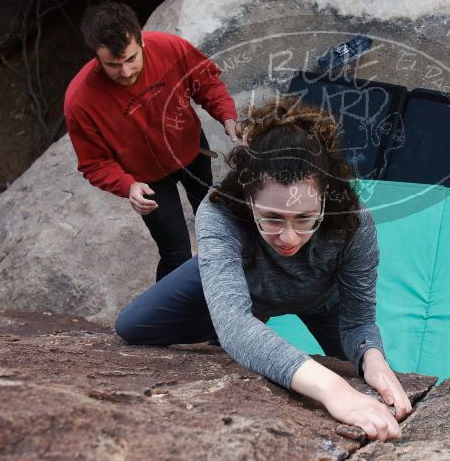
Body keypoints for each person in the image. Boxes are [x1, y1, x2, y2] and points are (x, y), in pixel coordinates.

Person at [115, 97, 413, 441]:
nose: (288, 238)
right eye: (271, 219)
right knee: (133, 326)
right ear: (248, 198)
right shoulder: (220, 211)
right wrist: (332, 389)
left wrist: (372, 357)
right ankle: (228, 286)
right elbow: (234, 323)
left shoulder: (353, 222)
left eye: (305, 219)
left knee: (369, 378)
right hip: (243, 280)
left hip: (320, 299)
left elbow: (359, 321)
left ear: (325, 199)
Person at [64, 1, 239, 281]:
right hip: (147, 181)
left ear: (141, 39)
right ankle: (170, 320)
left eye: (131, 59)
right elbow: (94, 163)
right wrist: (127, 186)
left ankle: (225, 293)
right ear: (95, 57)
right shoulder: (80, 101)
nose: (126, 72)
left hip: (193, 152)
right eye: (113, 65)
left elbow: (206, 84)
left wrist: (227, 116)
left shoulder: (169, 47)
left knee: (218, 230)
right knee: (176, 254)